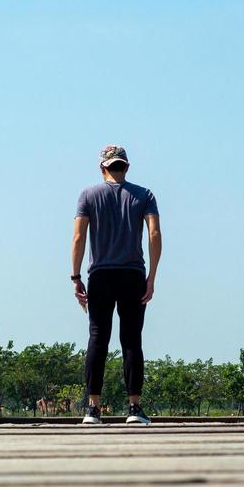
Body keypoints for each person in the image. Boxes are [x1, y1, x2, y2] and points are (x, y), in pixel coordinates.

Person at [71, 144, 162, 425]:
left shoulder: (88, 195)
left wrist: (76, 277)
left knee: (98, 339)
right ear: (126, 166)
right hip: (132, 274)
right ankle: (134, 408)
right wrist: (152, 277)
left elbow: (78, 238)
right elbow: (154, 234)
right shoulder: (144, 195)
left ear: (102, 167)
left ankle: (93, 409)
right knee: (132, 340)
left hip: (99, 274)